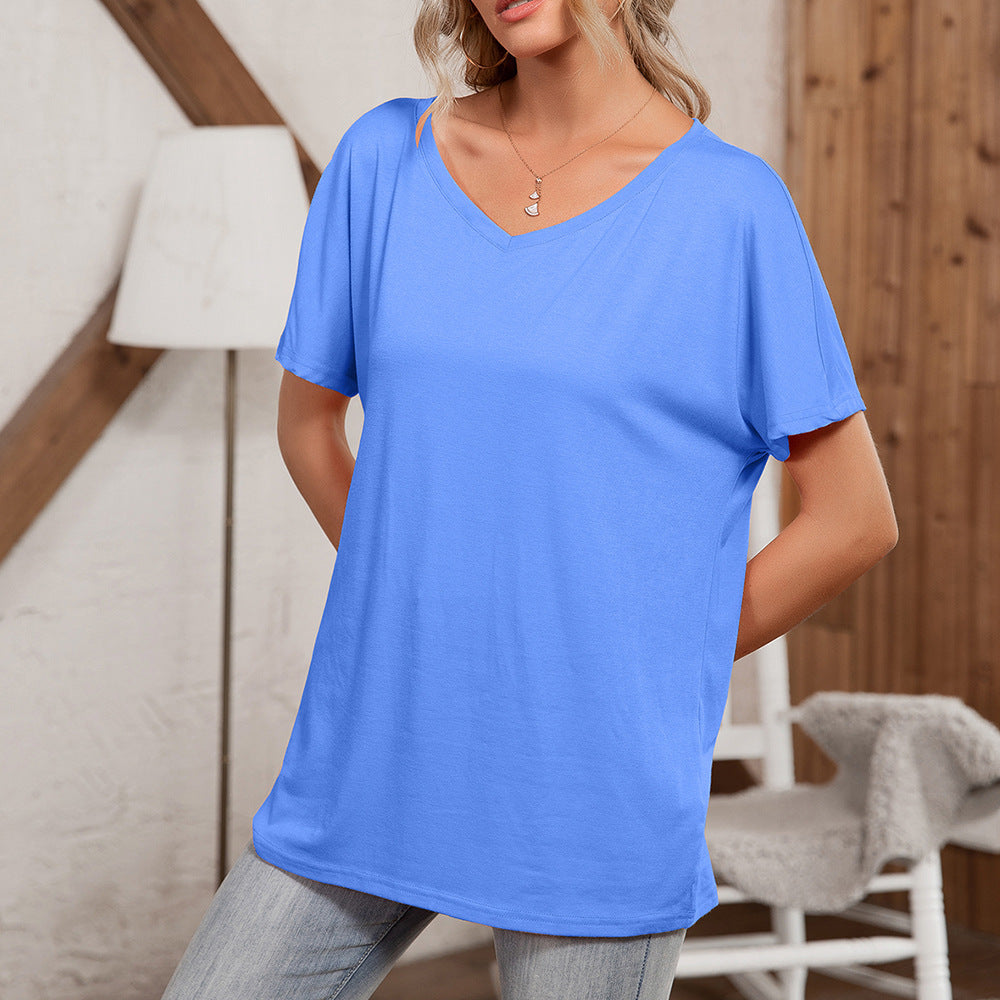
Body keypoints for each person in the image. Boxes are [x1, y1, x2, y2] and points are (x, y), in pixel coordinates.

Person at [160, 0, 899, 997]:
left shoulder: (730, 209)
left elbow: (854, 518)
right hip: (375, 755)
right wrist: (410, 603)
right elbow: (307, 427)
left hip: (593, 796)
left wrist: (643, 657)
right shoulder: (385, 160)